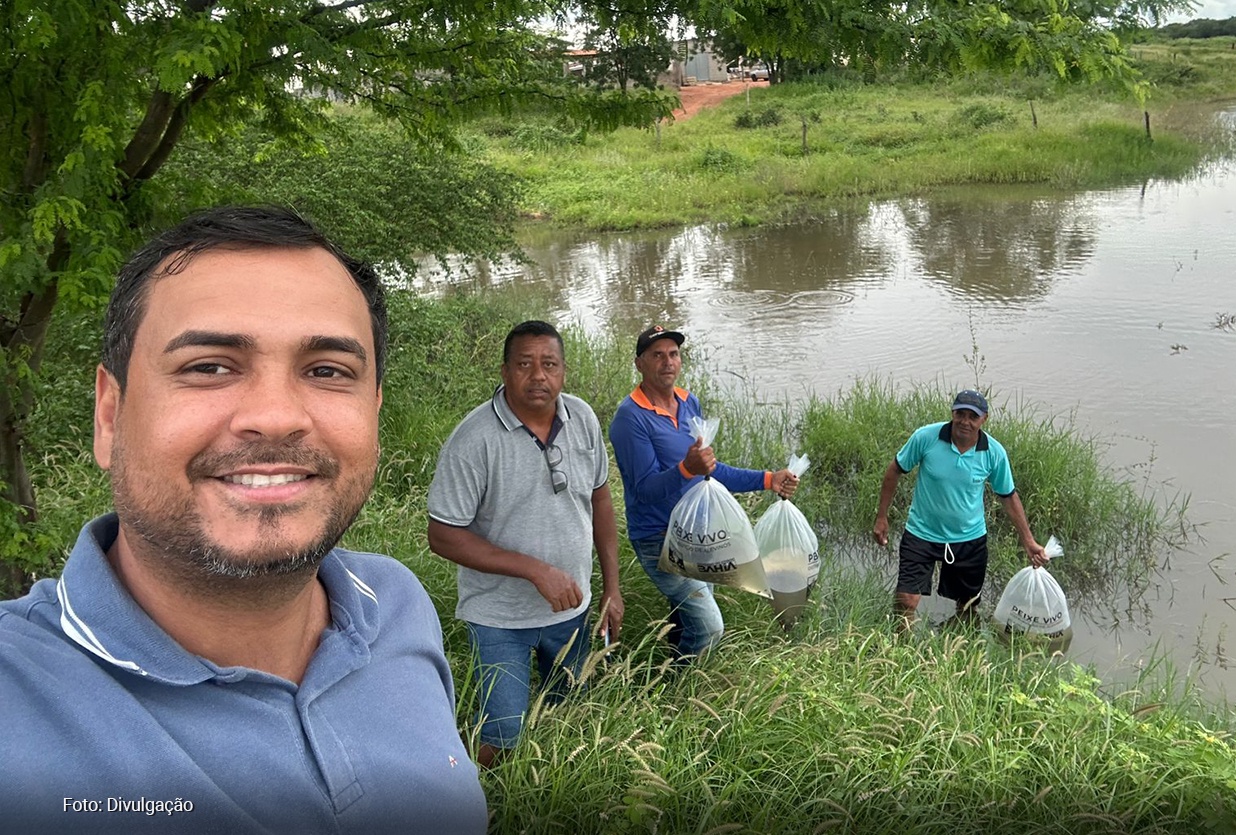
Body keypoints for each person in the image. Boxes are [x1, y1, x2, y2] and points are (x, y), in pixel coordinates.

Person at [0, 206, 487, 833]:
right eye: (209, 366)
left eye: (327, 371)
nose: (277, 416)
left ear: (373, 412)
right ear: (110, 416)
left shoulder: (395, 604)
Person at [427, 320, 622, 769]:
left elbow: (600, 500)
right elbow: (442, 535)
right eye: (525, 365)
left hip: (573, 611)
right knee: (503, 732)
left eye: (549, 364)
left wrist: (612, 588)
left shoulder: (583, 419)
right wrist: (535, 570)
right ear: (504, 371)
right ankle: (470, 803)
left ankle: (550, 794)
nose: (539, 376)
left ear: (564, 371)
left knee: (570, 714)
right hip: (499, 618)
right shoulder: (474, 439)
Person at [609, 325, 797, 662]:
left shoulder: (687, 400)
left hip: (697, 531)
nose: (667, 362)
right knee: (710, 626)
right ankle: (684, 687)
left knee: (688, 611)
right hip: (659, 537)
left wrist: (769, 479)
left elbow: (710, 469)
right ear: (639, 364)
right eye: (657, 355)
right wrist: (685, 469)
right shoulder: (630, 419)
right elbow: (645, 490)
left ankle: (669, 663)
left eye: (673, 354)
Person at [873, 389, 1049, 629]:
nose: (965, 422)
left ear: (983, 419)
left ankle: (955, 652)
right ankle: (900, 647)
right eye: (960, 414)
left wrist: (1028, 541)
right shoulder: (926, 437)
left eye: (972, 417)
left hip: (969, 538)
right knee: (906, 600)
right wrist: (882, 516)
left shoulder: (994, 452)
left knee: (967, 605)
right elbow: (895, 470)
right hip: (921, 533)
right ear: (952, 413)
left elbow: (1008, 496)